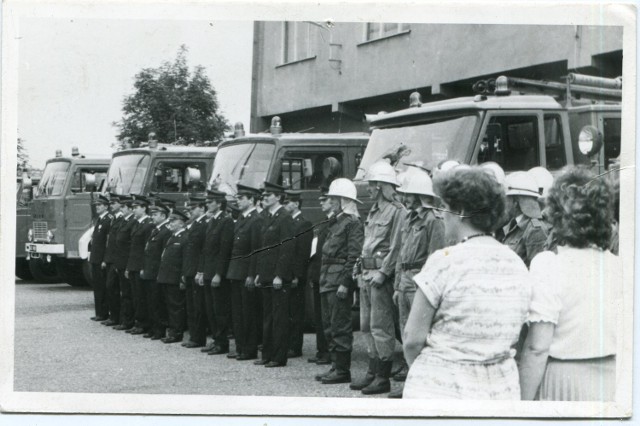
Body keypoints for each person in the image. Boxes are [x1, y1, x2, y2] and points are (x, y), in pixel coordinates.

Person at [403, 166, 531, 399]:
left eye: (444, 207)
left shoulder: (444, 262)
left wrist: (425, 374)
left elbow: (412, 339)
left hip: (443, 390)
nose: (441, 214)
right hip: (499, 391)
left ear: (460, 212)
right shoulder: (517, 264)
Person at [518, 166, 621, 401]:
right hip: (611, 381)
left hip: (564, 381)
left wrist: (522, 405)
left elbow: (537, 348)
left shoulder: (549, 265)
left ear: (557, 216)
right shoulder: (619, 267)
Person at [389, 167, 445, 398]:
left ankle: (425, 385)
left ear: (420, 195)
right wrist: (396, 285)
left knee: (421, 336)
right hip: (405, 281)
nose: (404, 198)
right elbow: (401, 252)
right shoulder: (408, 218)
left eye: (408, 194)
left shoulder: (433, 220)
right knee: (406, 334)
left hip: (419, 283)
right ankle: (412, 382)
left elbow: (436, 257)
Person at [351, 160, 406, 395]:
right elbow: (368, 244)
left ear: (384, 186)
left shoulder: (397, 211)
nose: (369, 188)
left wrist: (384, 273)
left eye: (373, 184)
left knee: (381, 326)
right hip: (366, 274)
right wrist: (359, 266)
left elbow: (396, 246)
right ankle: (373, 370)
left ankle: (383, 376)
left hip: (380, 276)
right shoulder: (373, 211)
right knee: (366, 326)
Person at [314, 178, 364, 384]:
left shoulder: (352, 223)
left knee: (340, 325)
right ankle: (335, 365)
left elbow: (353, 256)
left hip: (337, 281)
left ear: (344, 200)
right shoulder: (335, 223)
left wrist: (346, 282)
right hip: (327, 279)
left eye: (334, 199)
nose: (331, 202)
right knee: (329, 326)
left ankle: (342, 370)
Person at [254, 182, 295, 368]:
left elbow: (286, 249)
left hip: (277, 276)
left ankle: (278, 356)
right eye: (263, 195)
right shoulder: (268, 217)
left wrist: (280, 274)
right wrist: (259, 274)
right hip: (266, 274)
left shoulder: (284, 218)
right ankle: (267, 354)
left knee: (278, 317)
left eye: (269, 195)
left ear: (278, 197)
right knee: (267, 315)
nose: (264, 197)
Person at [226, 184, 264, 361]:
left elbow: (256, 249)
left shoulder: (256, 220)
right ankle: (241, 347)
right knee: (238, 312)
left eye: (242, 198)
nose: (238, 201)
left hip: (245, 271)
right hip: (235, 270)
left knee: (248, 313)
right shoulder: (242, 218)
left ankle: (249, 349)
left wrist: (251, 274)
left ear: (252, 200)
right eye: (238, 198)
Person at [200, 189, 234, 355]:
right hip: (208, 271)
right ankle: (215, 339)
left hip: (216, 273)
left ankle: (222, 343)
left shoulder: (225, 221)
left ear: (219, 203)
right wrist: (202, 271)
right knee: (210, 309)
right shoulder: (212, 221)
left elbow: (224, 250)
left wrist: (219, 274)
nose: (207, 204)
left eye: (210, 201)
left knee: (219, 309)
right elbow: (206, 250)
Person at [283, 190, 313, 359]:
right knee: (288, 310)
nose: (286, 206)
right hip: (287, 272)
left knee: (295, 311)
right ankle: (289, 343)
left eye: (288, 203)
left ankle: (295, 346)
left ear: (295, 204)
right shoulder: (289, 222)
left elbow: (302, 253)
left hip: (295, 274)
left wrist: (297, 275)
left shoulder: (303, 223)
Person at [306, 187, 333, 366]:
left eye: (324, 200)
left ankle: (329, 352)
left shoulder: (334, 223)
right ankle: (321, 350)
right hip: (318, 274)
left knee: (329, 316)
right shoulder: (324, 223)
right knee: (319, 315)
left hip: (328, 274)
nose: (321, 203)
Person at [498, 171, 548, 267]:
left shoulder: (535, 230)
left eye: (506, 199)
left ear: (515, 201)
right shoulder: (512, 224)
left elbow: (538, 269)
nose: (503, 203)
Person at [157, 209, 190, 344]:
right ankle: (171, 330)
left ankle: (176, 333)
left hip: (175, 278)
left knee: (176, 307)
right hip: (166, 276)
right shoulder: (173, 237)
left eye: (173, 221)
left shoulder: (185, 237)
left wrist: (183, 277)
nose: (170, 223)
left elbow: (185, 260)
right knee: (169, 305)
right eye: (170, 220)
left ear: (182, 223)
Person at [140, 202, 172, 340]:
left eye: (155, 214)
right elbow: (147, 252)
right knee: (150, 302)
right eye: (152, 214)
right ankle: (153, 328)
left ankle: (159, 330)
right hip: (149, 271)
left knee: (158, 303)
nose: (152, 217)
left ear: (163, 216)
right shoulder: (155, 230)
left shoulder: (166, 231)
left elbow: (164, 255)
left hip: (157, 272)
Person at [182, 195, 209, 349]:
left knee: (198, 306)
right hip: (190, 269)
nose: (190, 212)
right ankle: (194, 336)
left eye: (193, 208)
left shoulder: (205, 224)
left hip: (197, 270)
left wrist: (200, 270)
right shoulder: (194, 224)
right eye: (190, 209)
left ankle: (199, 338)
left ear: (201, 208)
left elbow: (204, 251)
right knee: (191, 305)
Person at [126, 195, 155, 335]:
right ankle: (139, 322)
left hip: (140, 265)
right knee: (135, 295)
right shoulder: (137, 224)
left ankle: (144, 323)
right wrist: (129, 267)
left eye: (136, 207)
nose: (134, 210)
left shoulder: (148, 224)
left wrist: (144, 266)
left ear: (144, 208)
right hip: (133, 264)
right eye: (133, 207)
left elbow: (147, 248)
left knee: (142, 296)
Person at [112, 196, 137, 331]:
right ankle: (124, 319)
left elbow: (129, 246)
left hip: (127, 262)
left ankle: (128, 321)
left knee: (128, 293)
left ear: (130, 209)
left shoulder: (132, 222)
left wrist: (127, 265)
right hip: (120, 262)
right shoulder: (124, 221)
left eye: (123, 207)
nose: (121, 209)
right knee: (124, 293)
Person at [88, 195, 112, 322]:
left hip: (101, 259)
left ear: (106, 206)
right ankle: (99, 312)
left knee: (103, 287)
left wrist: (104, 259)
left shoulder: (108, 220)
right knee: (97, 286)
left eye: (100, 205)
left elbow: (108, 242)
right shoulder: (100, 220)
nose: (97, 207)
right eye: (96, 205)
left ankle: (104, 312)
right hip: (95, 258)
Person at [102, 194, 125, 327]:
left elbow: (119, 243)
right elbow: (110, 241)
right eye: (111, 203)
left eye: (114, 203)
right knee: (111, 288)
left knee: (117, 289)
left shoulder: (121, 219)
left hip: (117, 260)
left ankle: (119, 318)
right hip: (111, 258)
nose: (111, 205)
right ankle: (114, 316)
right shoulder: (114, 219)